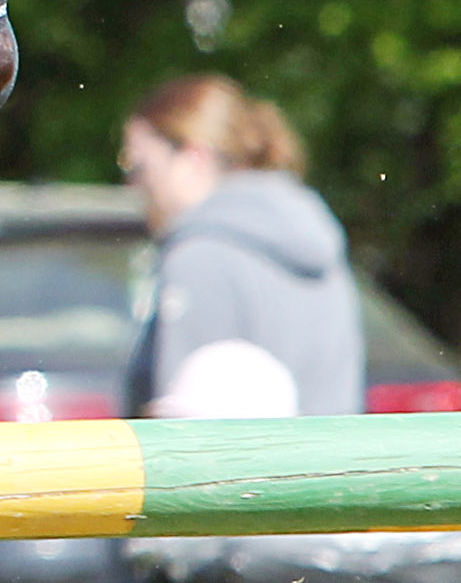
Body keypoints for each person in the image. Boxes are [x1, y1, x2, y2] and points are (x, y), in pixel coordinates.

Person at [120, 73, 363, 418]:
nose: (133, 186)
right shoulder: (320, 246)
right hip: (332, 471)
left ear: (194, 157)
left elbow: (185, 440)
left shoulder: (200, 258)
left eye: (138, 165)